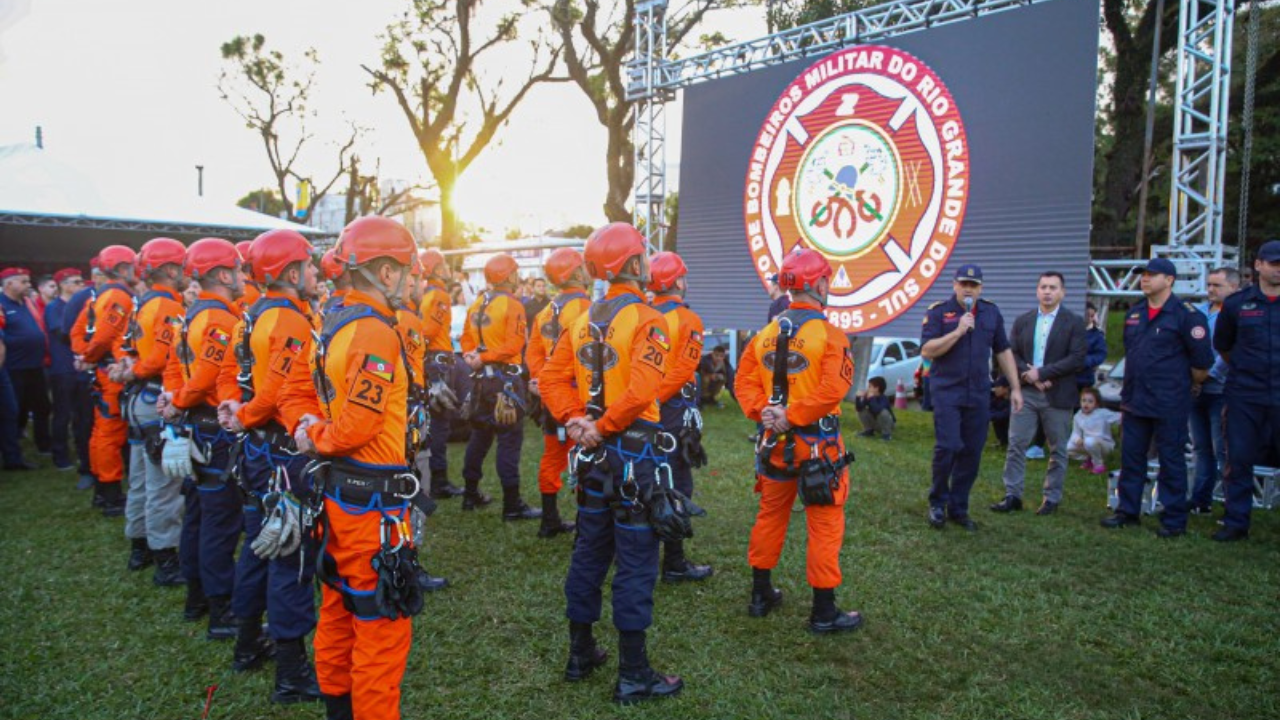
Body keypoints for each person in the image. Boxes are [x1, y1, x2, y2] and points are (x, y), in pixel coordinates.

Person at [540, 222, 684, 703]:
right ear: (634, 265)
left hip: (593, 456)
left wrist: (576, 420)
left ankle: (580, 653)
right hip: (634, 455)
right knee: (637, 562)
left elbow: (550, 378)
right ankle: (634, 673)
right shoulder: (649, 318)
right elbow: (643, 388)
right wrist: (599, 425)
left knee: (589, 550)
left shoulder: (581, 321)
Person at [289, 216, 421, 720]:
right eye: (407, 270)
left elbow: (319, 399)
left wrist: (311, 430)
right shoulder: (374, 332)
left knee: (339, 615)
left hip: (339, 499)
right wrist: (316, 436)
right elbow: (357, 425)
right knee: (380, 633)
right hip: (372, 510)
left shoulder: (334, 323)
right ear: (385, 273)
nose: (412, 281)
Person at [213, 229, 324, 701]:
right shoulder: (289, 320)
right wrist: (244, 415)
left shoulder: (251, 315)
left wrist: (233, 410)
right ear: (290, 272)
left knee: (260, 545)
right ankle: (292, 670)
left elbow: (230, 375)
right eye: (310, 265)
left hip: (258, 452)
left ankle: (246, 643)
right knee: (291, 554)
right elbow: (278, 393)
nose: (318, 273)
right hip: (280, 451)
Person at [735, 247, 862, 633]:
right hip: (818, 449)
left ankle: (761, 594)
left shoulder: (765, 335)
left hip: (774, 445)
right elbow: (833, 390)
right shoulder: (830, 335)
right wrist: (791, 415)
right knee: (824, 523)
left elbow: (743, 384)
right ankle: (823, 611)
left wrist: (767, 413)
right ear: (821, 283)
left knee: (770, 515)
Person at [158, 237, 245, 637]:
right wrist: (180, 399)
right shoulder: (220, 320)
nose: (244, 278)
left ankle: (197, 596)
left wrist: (175, 399)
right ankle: (220, 607)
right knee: (219, 521)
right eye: (240, 270)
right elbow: (207, 376)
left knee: (198, 515)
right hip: (214, 427)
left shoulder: (192, 315)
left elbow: (174, 368)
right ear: (225, 274)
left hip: (196, 424)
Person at [1101, 257, 1211, 538]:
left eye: (1151, 274)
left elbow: (1201, 364)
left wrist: (1182, 385)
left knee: (1171, 459)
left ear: (1169, 280)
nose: (1145, 279)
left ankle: (1173, 517)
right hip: (1136, 399)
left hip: (1169, 401)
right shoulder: (1135, 313)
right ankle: (1127, 510)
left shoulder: (1187, 315)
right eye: (1143, 274)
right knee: (1132, 458)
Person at [921, 264, 1022, 531]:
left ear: (981, 288)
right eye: (964, 283)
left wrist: (1015, 388)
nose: (968, 289)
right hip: (947, 391)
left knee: (971, 452)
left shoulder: (991, 312)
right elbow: (928, 350)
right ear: (954, 284)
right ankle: (937, 502)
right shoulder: (939, 312)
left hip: (978, 393)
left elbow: (1003, 351)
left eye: (973, 285)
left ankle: (958, 507)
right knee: (949, 446)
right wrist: (957, 331)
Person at [115, 238, 187, 585]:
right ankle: (165, 560)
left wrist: (130, 371)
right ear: (172, 270)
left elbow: (129, 348)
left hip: (138, 398)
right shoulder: (167, 306)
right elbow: (160, 358)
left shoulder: (143, 302)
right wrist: (138, 371)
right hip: (154, 396)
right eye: (185, 267)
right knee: (164, 485)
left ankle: (139, 547)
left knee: (142, 478)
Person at [991, 272, 1086, 516]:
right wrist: (1027, 374)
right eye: (1043, 287)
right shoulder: (1023, 320)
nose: (1047, 291)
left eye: (1053, 287)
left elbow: (1076, 358)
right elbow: (1011, 353)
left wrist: (1042, 373)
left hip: (1058, 394)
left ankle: (1051, 498)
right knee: (1016, 444)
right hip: (1026, 393)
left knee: (1058, 449)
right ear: (1037, 291)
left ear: (1062, 292)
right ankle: (1013, 495)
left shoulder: (1074, 322)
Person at [459, 253, 541, 521]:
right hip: (504, 380)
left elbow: (465, 338)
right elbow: (514, 346)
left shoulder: (478, 303)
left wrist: (473, 356)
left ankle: (470, 494)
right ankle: (512, 504)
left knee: (479, 437)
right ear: (508, 276)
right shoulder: (512, 305)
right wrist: (482, 357)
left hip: (481, 381)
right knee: (509, 440)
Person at [649, 251, 714, 583]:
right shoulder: (689, 321)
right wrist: (654, 399)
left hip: (644, 408)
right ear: (676, 281)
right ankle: (674, 562)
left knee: (646, 475)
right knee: (677, 480)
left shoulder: (642, 313)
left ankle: (640, 551)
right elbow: (682, 370)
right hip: (672, 409)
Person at [1212, 240, 1280, 542]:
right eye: (1273, 263)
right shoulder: (1238, 304)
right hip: (1245, 395)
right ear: (1258, 265)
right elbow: (1224, 347)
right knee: (1238, 459)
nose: (1278, 268)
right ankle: (1236, 522)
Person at [526, 248, 590, 539]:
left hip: (552, 398)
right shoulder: (587, 308)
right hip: (578, 397)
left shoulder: (544, 311)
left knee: (552, 456)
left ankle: (549, 520)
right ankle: (588, 524)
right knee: (587, 457)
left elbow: (533, 354)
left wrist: (542, 382)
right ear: (576, 273)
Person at [70, 246, 138, 516]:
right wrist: (89, 356)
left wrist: (85, 356)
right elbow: (103, 336)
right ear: (123, 268)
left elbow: (78, 332)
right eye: (133, 265)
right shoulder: (118, 297)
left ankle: (103, 488)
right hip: (112, 373)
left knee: (102, 432)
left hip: (104, 369)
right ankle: (110, 494)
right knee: (110, 433)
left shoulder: (97, 296)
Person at [1188, 267, 1239, 514]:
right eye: (1208, 284)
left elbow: (1228, 351)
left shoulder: (1236, 314)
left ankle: (1232, 505)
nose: (1210, 289)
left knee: (1222, 449)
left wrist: (1208, 375)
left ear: (1233, 287)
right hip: (1197, 390)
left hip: (1221, 390)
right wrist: (1194, 377)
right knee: (1201, 447)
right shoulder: (1199, 313)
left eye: (1217, 285)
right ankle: (1200, 499)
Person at [418, 248, 464, 500]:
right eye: (443, 264)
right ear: (436, 269)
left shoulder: (427, 293)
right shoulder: (439, 294)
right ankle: (439, 481)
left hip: (432, 360)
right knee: (440, 425)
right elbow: (426, 331)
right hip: (437, 361)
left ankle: (437, 478)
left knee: (436, 425)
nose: (447, 268)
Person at [1, 267, 52, 457]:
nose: (28, 285)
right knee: (14, 409)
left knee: (43, 407)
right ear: (9, 284)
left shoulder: (28, 303)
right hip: (13, 367)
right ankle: (12, 446)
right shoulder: (2, 304)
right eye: (23, 281)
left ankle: (43, 444)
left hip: (35, 365)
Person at [63, 262, 103, 487]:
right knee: (86, 422)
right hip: (88, 372)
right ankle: (88, 469)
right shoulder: (85, 299)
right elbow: (69, 332)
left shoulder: (119, 296)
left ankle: (105, 471)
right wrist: (87, 355)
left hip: (108, 372)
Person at [44, 268, 85, 471]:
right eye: (76, 282)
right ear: (64, 285)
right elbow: (61, 333)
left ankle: (80, 452)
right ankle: (60, 455)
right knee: (63, 413)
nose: (81, 286)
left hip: (79, 367)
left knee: (80, 413)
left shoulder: (79, 307)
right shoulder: (55, 307)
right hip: (62, 368)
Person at [1066, 387, 1120, 474]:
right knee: (1068, 448)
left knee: (1090, 441)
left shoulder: (1102, 413)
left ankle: (1099, 465)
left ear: (1096, 404)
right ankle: (1090, 458)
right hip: (1087, 443)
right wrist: (1077, 439)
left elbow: (1119, 417)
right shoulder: (1078, 415)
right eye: (1083, 400)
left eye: (1090, 401)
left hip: (1104, 445)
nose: (1086, 404)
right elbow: (1075, 432)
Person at [1077, 302, 1108, 389]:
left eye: (1092, 315)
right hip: (1066, 380)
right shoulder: (1069, 330)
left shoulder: (1097, 335)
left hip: (1085, 380)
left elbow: (1101, 354)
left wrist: (1087, 361)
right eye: (1087, 315)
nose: (1089, 318)